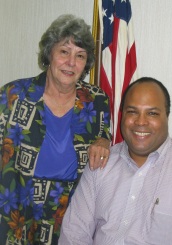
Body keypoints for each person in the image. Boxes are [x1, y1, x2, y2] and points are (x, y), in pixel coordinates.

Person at [0, 14, 111, 244]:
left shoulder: (97, 100)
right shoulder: (12, 95)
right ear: (49, 53)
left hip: (71, 209)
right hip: (18, 205)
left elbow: (104, 137)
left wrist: (105, 141)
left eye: (80, 56)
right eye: (64, 52)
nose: (71, 62)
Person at [59, 77, 172, 245]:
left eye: (152, 113)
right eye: (132, 112)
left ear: (167, 117)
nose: (140, 122)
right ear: (122, 114)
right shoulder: (100, 164)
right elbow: (74, 234)